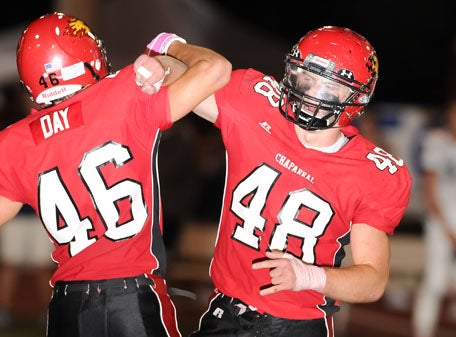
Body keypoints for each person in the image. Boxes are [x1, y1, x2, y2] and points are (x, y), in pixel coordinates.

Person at [135, 26, 412, 336]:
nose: (310, 93)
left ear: (358, 96)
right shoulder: (255, 105)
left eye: (328, 86)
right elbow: (185, 76)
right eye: (305, 77)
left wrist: (308, 276)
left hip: (296, 325)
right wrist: (161, 66)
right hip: (224, 313)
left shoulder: (370, 172)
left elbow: (373, 281)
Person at [0, 11, 231, 337]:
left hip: (68, 308)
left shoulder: (14, 142)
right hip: (132, 298)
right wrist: (167, 54)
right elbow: (215, 71)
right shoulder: (121, 94)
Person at [412, 100, 456, 337]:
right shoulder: (437, 141)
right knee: (435, 282)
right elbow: (430, 189)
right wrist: (446, 229)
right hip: (441, 224)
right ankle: (422, 331)